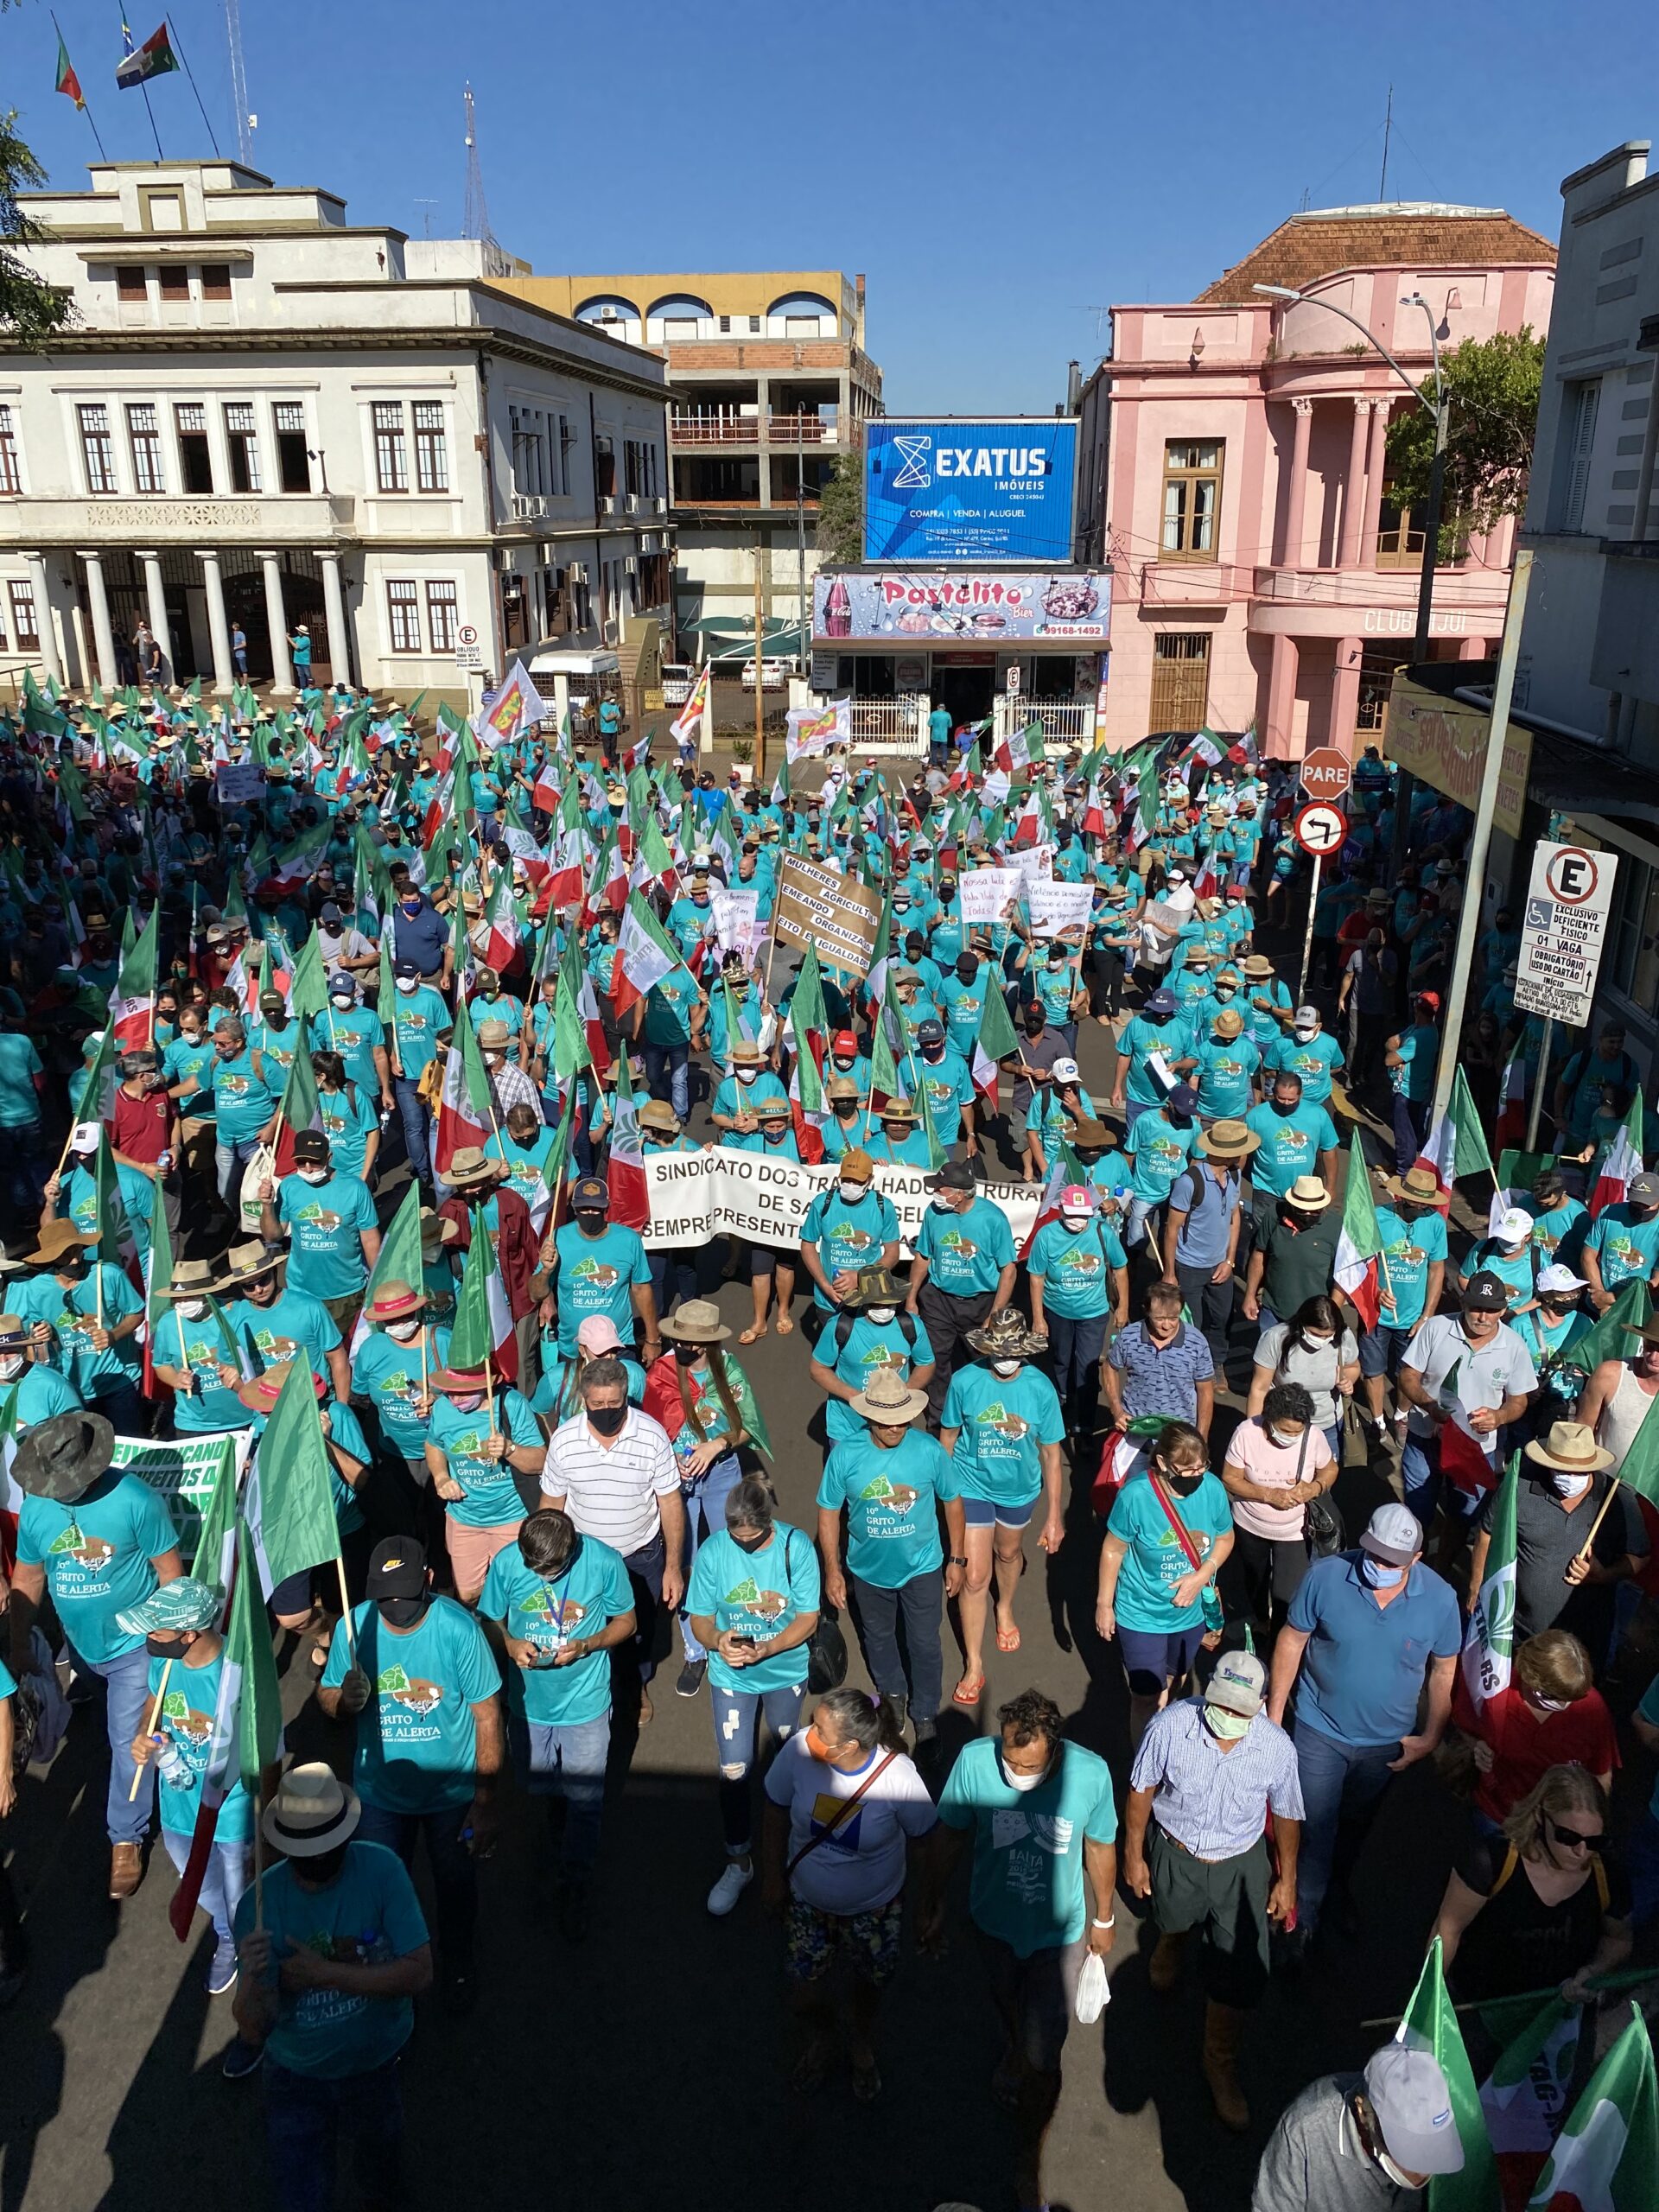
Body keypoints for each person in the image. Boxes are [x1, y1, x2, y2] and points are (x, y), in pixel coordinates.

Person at [920, 1689, 1118, 2212]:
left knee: (1042, 2054)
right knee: (1005, 2002)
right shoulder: (974, 1763)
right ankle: (1015, 2047)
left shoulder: (1090, 1774)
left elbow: (1099, 1846)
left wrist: (1104, 1917)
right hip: (992, 1925)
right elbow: (952, 1836)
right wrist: (932, 1900)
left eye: (1028, 1765)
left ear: (1054, 1750)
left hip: (1059, 1938)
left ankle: (1029, 2153)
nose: (1015, 1772)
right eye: (1009, 1760)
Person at [320, 1537, 503, 2014]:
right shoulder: (352, 1628)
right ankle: (384, 1973)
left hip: (451, 1794)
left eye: (406, 1597)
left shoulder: (461, 1630)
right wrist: (343, 1701)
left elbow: (488, 1716)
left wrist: (484, 1803)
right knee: (379, 1889)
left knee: (455, 1886)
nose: (397, 1611)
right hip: (380, 1795)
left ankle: (458, 1962)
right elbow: (326, 1696)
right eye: (386, 1600)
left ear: (428, 1580)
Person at [1122, 1649, 1303, 2131]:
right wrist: (1133, 1855)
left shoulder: (1276, 1748)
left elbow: (1287, 1813)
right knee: (1172, 1918)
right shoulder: (1170, 1726)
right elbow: (1141, 1789)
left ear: (1260, 1705)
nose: (1224, 1717)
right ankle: (1172, 1940)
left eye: (1238, 1710)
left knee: (1241, 1969)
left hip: (1238, 1862)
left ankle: (1218, 2061)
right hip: (1176, 1849)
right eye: (1218, 1704)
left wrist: (1287, 1879)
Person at [7, 1410, 183, 1899]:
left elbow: (169, 1571)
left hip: (135, 1645)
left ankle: (125, 1836)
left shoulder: (135, 1499)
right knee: (107, 1715)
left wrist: (167, 1636)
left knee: (129, 1740)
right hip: (82, 1647)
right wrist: (19, 1643)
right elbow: (29, 1577)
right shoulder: (38, 1508)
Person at [1268, 1503, 1461, 1945]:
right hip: (1319, 1731)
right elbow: (1292, 1640)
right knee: (1315, 1827)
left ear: (1416, 1559)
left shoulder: (1441, 1600)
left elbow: (1445, 1669)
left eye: (1391, 1561)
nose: (1378, 1566)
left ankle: (1333, 1890)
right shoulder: (1325, 1576)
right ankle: (1304, 1919)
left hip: (1385, 1746)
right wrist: (1276, 1717)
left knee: (1355, 1825)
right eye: (1372, 1554)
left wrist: (1431, 1736)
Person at [232, 1763, 432, 2183]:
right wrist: (251, 1977)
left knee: (381, 2168)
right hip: (298, 2075)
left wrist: (324, 1975)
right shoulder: (258, 1906)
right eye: (312, 1849)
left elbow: (419, 1973)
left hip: (377, 2062)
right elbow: (254, 2029)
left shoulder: (384, 1870)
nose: (321, 1857)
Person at [760, 1684, 937, 2100]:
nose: (809, 1734)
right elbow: (773, 1809)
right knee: (804, 1994)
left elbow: (926, 1839)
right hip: (807, 1905)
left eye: (820, 1730)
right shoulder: (800, 1752)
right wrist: (771, 1878)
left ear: (851, 1746)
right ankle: (824, 2037)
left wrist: (928, 1905)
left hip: (875, 1911)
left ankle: (859, 2042)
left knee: (869, 1986)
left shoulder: (898, 1778)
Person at [479, 1507, 636, 1943]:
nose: (542, 1576)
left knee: (586, 1800)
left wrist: (588, 1644)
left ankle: (575, 1885)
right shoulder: (510, 1562)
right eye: (534, 1568)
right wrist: (509, 1642)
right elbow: (489, 1620)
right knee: (539, 1785)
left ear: (571, 1550)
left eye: (550, 1570)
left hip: (585, 1702)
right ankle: (558, 1819)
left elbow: (628, 1622)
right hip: (529, 1705)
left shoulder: (603, 1561)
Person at [123, 1577, 274, 1999]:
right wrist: (143, 1738)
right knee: (202, 1887)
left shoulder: (239, 1673)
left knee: (239, 1893)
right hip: (176, 1809)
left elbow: (265, 1749)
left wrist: (264, 1822)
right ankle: (229, 1937)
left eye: (157, 1631)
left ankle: (250, 1957)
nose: (149, 1638)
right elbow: (153, 1709)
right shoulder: (165, 1662)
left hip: (230, 1811)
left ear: (189, 1634)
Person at [686, 1476, 821, 1917]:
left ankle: (790, 1850)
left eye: (752, 1537)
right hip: (732, 1678)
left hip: (784, 1672)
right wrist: (718, 1640)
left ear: (768, 1523)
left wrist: (769, 1646)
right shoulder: (713, 1552)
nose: (742, 1544)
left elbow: (808, 1618)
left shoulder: (795, 1547)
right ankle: (739, 1860)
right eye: (735, 1535)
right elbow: (700, 1619)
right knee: (734, 1769)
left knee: (786, 1762)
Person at [817, 1364, 963, 1758]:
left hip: (923, 1568)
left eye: (902, 1418)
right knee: (879, 1639)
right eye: (886, 1421)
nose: (896, 1427)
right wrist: (833, 1569)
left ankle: (926, 1714)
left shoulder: (929, 1450)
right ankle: (893, 1693)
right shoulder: (846, 1455)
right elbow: (829, 1511)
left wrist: (957, 1558)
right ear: (869, 1417)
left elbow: (952, 1502)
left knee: (924, 1643)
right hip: (867, 1571)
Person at [540, 1357, 685, 1722]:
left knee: (639, 1631)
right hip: (583, 1557)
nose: (606, 1411)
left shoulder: (652, 1436)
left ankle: (637, 1687)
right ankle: (593, 1692)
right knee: (585, 1627)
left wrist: (673, 1567)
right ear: (584, 1400)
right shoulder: (564, 1440)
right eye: (597, 1405)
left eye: (614, 1404)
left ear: (626, 1397)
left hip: (641, 1555)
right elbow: (551, 1505)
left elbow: (670, 1503)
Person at [939, 1309, 1065, 1707]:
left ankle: (1005, 1605)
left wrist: (1054, 1515)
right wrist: (941, 1494)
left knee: (1007, 1552)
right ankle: (974, 1664)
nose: (1006, 1358)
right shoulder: (965, 1381)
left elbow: (1050, 1453)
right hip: (970, 1483)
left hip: (1018, 1490)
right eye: (1000, 1351)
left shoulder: (1040, 1389)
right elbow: (948, 1437)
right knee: (975, 1576)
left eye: (1014, 1351)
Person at [1428, 1764, 1631, 2002]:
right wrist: (1433, 1999)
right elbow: (1447, 1930)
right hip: (1477, 2003)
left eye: (1595, 1840)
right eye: (1567, 1837)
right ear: (1539, 1817)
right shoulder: (1492, 1861)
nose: (1581, 1851)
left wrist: (1592, 1971)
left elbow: (1619, 1939)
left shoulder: (1607, 1874)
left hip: (1552, 2010)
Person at [641, 1300, 761, 1699]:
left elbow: (749, 1427)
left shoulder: (728, 1369)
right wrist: (668, 1459)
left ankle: (734, 1635)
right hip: (676, 1481)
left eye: (693, 1341)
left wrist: (718, 1445)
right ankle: (695, 1650)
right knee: (685, 1560)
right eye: (680, 1338)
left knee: (734, 1554)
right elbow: (650, 1429)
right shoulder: (660, 1372)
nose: (684, 1346)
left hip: (722, 1472)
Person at [1097, 1418, 1234, 1747]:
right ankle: (1144, 1765)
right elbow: (1113, 1550)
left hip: (1190, 1615)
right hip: (1141, 1612)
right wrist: (1104, 1603)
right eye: (1187, 1470)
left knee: (1176, 1681)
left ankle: (1165, 1734)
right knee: (1145, 1696)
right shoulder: (1136, 1496)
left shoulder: (1212, 1488)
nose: (1196, 1477)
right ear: (1162, 1463)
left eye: (1202, 1467)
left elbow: (1225, 1539)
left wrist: (1201, 1576)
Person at [1467, 1421, 1647, 1652]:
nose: (1571, 1477)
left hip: (1585, 1639)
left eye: (1579, 1470)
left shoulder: (1617, 1500)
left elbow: (1640, 1556)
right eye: (1562, 1469)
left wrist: (1604, 1575)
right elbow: (1487, 1533)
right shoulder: (1519, 1487)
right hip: (1518, 1632)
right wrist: (1476, 1587)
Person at [1396, 1271, 1537, 1530]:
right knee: (1416, 1514)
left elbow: (1519, 1401)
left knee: (1466, 1518)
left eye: (1491, 1310)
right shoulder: (1435, 1328)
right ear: (1463, 1303)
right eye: (1476, 1309)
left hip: (1475, 1448)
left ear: (1503, 1309)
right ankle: (1415, 1563)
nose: (1483, 1317)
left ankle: (1444, 1566)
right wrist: (1429, 1405)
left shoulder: (1515, 1346)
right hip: (1425, 1438)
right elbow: (1407, 1376)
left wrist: (1499, 1417)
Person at [1252, 2044, 1466, 2212]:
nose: (1422, 2168)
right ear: (1362, 2110)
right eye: (1406, 2146)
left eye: (1432, 2145)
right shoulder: (1306, 2130)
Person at [1450, 1627, 1617, 1831]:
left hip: (1552, 1827)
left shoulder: (1593, 1709)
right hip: (1496, 1813)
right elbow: (1463, 1720)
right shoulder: (1497, 1685)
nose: (1565, 1704)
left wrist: (1588, 1825)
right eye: (1556, 1697)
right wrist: (1478, 1747)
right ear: (1531, 1680)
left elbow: (1601, 1773)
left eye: (1571, 1698)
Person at [424, 1360, 547, 1605]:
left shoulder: (512, 1404)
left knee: (516, 1592)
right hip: (464, 1520)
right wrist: (441, 1477)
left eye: (463, 1392)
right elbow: (433, 1444)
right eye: (450, 1391)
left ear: (487, 1385)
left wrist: (509, 1449)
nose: (455, 1400)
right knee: (469, 1595)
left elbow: (540, 1461)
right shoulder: (442, 1409)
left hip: (512, 1519)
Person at [905, 1158, 1018, 1422]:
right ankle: (939, 1422)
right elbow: (924, 1256)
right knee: (935, 1360)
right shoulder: (934, 1213)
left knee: (978, 1362)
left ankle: (974, 1416)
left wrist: (995, 1313)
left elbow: (1009, 1270)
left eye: (941, 1189)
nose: (935, 1193)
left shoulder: (993, 1219)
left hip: (979, 1304)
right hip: (938, 1300)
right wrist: (912, 1298)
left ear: (960, 1194)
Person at [1223, 1382, 1338, 1632]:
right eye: (1286, 1431)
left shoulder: (1314, 1436)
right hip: (1250, 1525)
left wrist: (1314, 1488)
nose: (1293, 1437)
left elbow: (1329, 1470)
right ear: (1269, 1419)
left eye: (1299, 1432)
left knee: (1287, 1595)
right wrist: (1267, 1494)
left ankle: (1279, 1639)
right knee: (1255, 1579)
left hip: (1294, 1531)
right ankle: (1260, 1620)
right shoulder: (1246, 1433)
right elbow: (1230, 1478)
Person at [1026, 1182, 1128, 1441]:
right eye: (1072, 1214)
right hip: (1058, 1311)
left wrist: (1123, 1306)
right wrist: (1038, 1318)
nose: (1077, 1220)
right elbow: (1036, 1276)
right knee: (1061, 1359)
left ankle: (1084, 1423)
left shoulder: (1103, 1232)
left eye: (1082, 1215)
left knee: (1087, 1366)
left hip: (1094, 1313)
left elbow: (1120, 1268)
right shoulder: (1046, 1236)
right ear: (1061, 1210)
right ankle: (1062, 1398)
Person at [259, 1128, 381, 1337]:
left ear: (329, 1157)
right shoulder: (289, 1186)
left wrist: (378, 1281)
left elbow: (370, 1239)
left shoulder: (355, 1188)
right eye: (301, 1162)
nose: (307, 1168)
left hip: (346, 1293)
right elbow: (273, 1236)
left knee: (345, 1353)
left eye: (315, 1162)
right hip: (301, 1291)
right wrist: (267, 1206)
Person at [1362, 1162, 1449, 1443]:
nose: (1423, 1208)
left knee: (1408, 1373)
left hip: (1413, 1320)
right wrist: (1374, 1293)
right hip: (1376, 1314)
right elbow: (1361, 1264)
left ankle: (1400, 1417)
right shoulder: (1378, 1217)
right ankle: (1377, 1421)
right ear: (1402, 1197)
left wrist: (1427, 1315)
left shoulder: (1435, 1223)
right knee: (1373, 1370)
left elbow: (1437, 1269)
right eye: (1418, 1202)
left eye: (1427, 1203)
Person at [1163, 1117, 1255, 1370]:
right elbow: (1172, 1229)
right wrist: (1170, 1273)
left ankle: (1216, 1363)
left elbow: (1234, 1219)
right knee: (1192, 1322)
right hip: (1190, 1265)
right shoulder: (1190, 1181)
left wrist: (1229, 1260)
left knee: (1222, 1317)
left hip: (1220, 1264)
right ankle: (1190, 1367)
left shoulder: (1234, 1176)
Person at [1249, 1294, 1360, 1462]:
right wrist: (1254, 1433)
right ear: (1302, 1324)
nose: (1322, 1341)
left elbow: (1353, 1366)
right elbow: (1259, 1389)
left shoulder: (1344, 1336)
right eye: (1315, 1334)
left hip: (1327, 1425)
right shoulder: (1276, 1338)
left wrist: (1348, 1381)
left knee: (1323, 1481)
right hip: (1284, 1425)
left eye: (1328, 1336)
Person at [1103, 1280, 1216, 1445]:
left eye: (1173, 1318)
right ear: (1146, 1311)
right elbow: (1109, 1368)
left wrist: (1201, 1435)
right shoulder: (1128, 1337)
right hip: (1136, 1429)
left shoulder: (1197, 1342)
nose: (1166, 1325)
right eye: (1160, 1318)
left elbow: (1205, 1390)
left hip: (1180, 1434)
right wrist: (1117, 1410)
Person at [1243, 1174, 1344, 1335]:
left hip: (1315, 1320)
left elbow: (1344, 1275)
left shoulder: (1336, 1226)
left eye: (1315, 1211)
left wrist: (1331, 1316)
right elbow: (1259, 1254)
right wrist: (1250, 1295)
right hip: (1273, 1312)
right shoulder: (1274, 1215)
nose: (1308, 1215)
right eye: (1302, 1210)